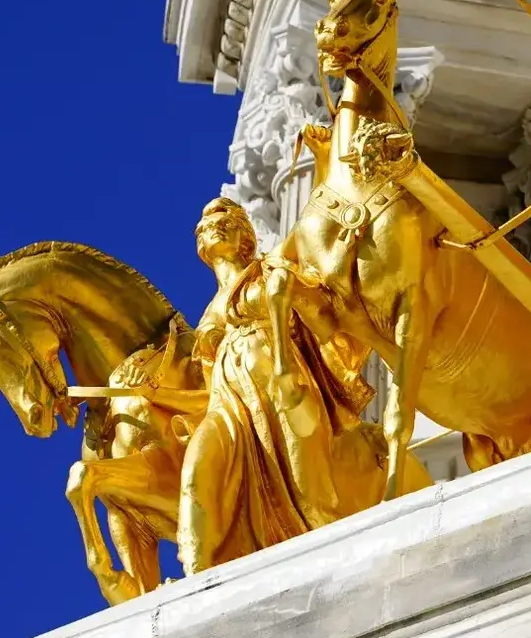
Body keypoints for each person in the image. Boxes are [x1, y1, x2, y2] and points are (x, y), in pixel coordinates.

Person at [178, 198, 429, 573]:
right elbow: (201, 386)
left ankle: (343, 564)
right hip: (227, 405)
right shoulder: (207, 315)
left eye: (223, 217)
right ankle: (195, 582)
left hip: (286, 384)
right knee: (195, 475)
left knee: (310, 490)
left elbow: (324, 317)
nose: (210, 223)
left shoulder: (270, 270)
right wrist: (149, 394)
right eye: (205, 221)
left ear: (244, 235)